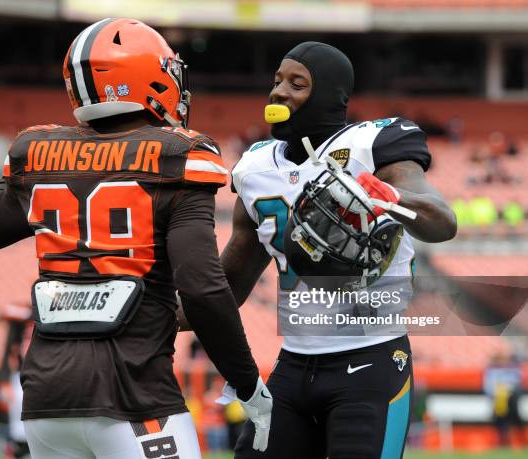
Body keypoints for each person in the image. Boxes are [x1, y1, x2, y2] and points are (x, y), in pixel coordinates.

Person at [0, 18, 271, 459]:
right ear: (147, 77)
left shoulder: (37, 151)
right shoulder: (181, 154)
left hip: (45, 403)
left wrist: (22, 169)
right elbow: (203, 290)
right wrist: (247, 384)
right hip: (134, 397)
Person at [182, 42, 457, 458]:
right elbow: (228, 287)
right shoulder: (256, 169)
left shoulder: (372, 146)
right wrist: (145, 319)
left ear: (330, 94)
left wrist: (389, 197)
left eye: (297, 84)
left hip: (371, 364)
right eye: (276, 81)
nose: (279, 92)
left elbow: (442, 220)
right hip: (293, 368)